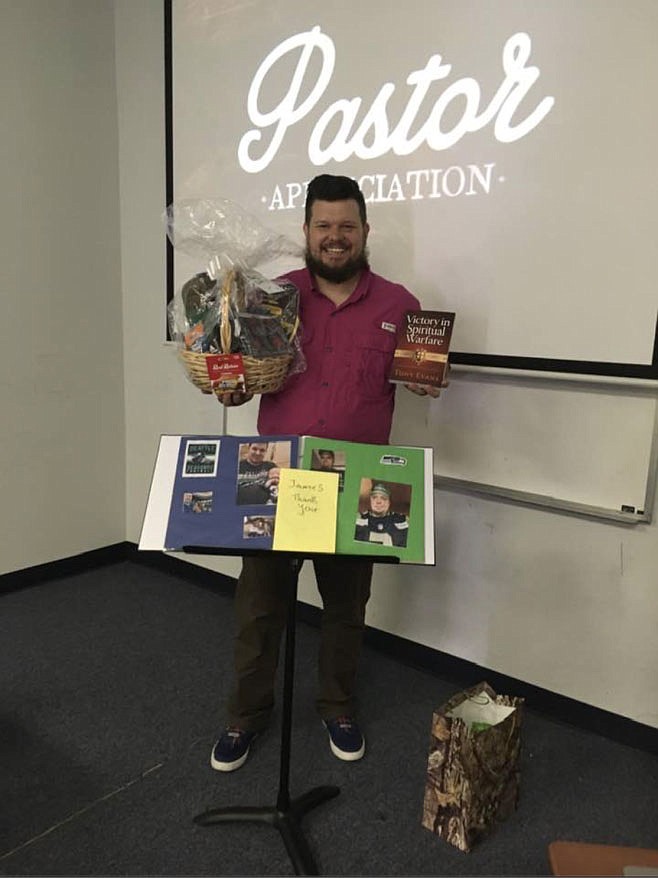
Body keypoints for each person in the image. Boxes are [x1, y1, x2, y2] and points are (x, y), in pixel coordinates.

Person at [211, 174, 447, 772]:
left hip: (364, 482)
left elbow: (417, 376)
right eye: (324, 226)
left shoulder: (402, 306)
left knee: (346, 609)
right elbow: (241, 380)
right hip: (275, 473)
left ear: (365, 232)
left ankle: (337, 705)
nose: (335, 237)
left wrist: (424, 384)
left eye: (347, 226)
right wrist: (231, 386)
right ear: (307, 233)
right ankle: (244, 717)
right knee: (259, 608)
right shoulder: (272, 297)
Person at [354, 482, 409, 548]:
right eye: (374, 497)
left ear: (389, 502)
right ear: (371, 500)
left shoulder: (402, 521)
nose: (378, 501)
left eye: (383, 498)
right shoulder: (358, 519)